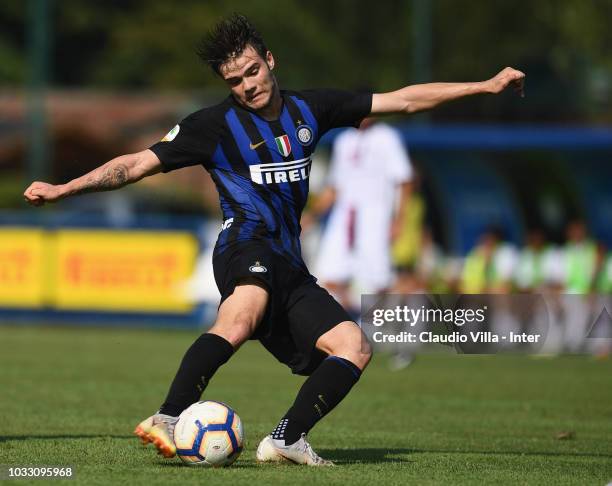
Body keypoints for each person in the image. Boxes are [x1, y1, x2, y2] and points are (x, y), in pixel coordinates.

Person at [23, 14, 525, 466]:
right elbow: (135, 164)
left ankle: (286, 438)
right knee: (239, 317)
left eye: (252, 72)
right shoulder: (213, 126)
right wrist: (65, 188)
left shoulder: (313, 109)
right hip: (243, 245)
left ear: (270, 61)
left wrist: (484, 86)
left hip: (289, 262)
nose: (246, 86)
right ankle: (168, 416)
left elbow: (407, 99)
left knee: (353, 347)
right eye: (234, 81)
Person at [312, 118, 413, 310]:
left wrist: (400, 219)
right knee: (327, 275)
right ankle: (349, 321)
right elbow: (335, 185)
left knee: (378, 278)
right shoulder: (344, 140)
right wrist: (311, 215)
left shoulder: (387, 138)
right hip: (344, 216)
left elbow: (404, 179)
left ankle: (387, 323)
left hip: (376, 215)